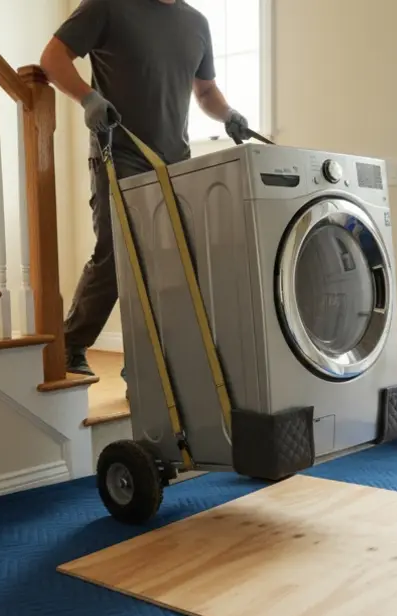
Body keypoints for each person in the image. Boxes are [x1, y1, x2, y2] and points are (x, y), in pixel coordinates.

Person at [39, 0, 252, 380]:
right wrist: (88, 98)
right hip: (119, 151)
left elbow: (204, 92)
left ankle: (142, 364)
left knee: (168, 262)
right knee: (116, 255)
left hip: (174, 160)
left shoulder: (196, 22)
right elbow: (53, 58)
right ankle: (70, 342)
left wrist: (229, 114)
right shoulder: (107, 6)